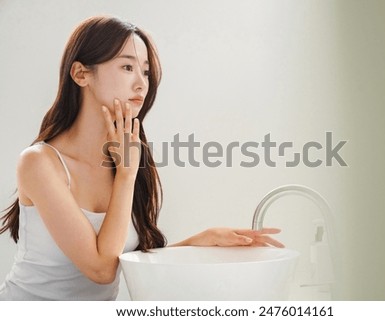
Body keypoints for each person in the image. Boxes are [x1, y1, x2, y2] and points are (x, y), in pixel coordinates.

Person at [0, 15, 282, 301]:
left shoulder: (127, 158)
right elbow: (101, 270)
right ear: (81, 74)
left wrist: (199, 242)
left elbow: (120, 258)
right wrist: (125, 175)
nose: (141, 84)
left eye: (145, 72)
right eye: (127, 67)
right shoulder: (39, 163)